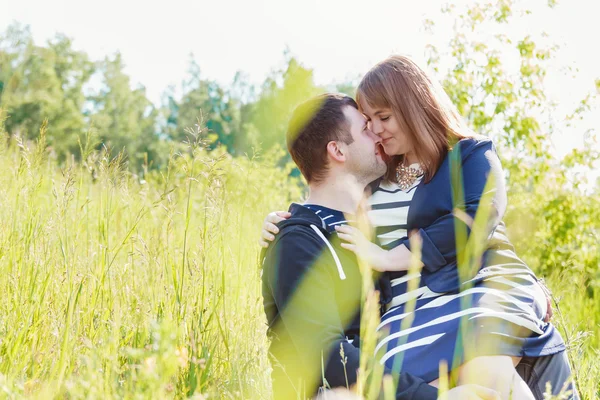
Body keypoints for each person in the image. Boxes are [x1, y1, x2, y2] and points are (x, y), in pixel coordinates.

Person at [260, 56, 577, 400]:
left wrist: (388, 257)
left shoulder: (468, 156)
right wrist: (289, 222)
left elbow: (477, 220)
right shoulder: (371, 188)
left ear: (413, 108)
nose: (376, 130)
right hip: (406, 323)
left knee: (489, 377)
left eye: (383, 118)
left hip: (471, 300)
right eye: (368, 123)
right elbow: (330, 194)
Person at [261, 93, 500, 400]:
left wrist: (525, 288)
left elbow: (466, 232)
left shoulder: (375, 231)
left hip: (404, 373)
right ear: (336, 150)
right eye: (365, 128)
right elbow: (328, 357)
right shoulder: (297, 241)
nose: (378, 133)